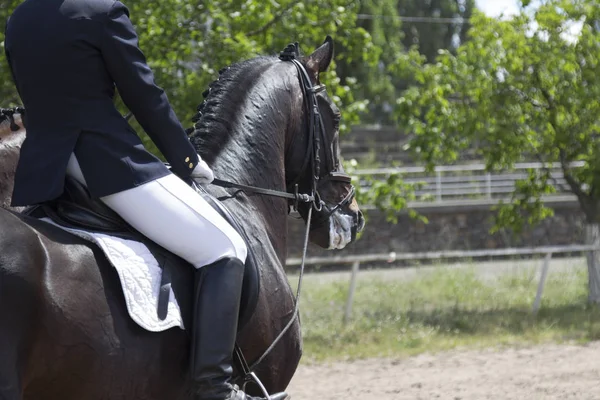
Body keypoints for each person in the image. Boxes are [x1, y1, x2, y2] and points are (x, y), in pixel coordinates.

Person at [4, 1, 287, 399]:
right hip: (105, 163)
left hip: (47, 170)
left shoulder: (20, 18)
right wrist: (187, 160)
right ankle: (215, 387)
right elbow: (143, 94)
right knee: (225, 250)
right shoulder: (101, 11)